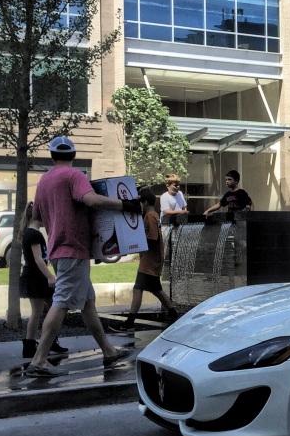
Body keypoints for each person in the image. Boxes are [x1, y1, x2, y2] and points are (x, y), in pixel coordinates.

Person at [25, 135, 143, 378]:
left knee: (88, 303)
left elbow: (35, 217)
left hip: (59, 249)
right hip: (73, 249)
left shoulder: (44, 181)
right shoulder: (74, 176)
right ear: (74, 155)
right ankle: (39, 361)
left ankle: (109, 352)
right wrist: (125, 205)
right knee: (62, 302)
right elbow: (90, 199)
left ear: (52, 155)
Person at [114, 188, 178, 333]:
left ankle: (130, 323)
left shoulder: (150, 216)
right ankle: (175, 315)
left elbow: (153, 238)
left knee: (138, 289)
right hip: (150, 262)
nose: (139, 205)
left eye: (140, 202)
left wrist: (137, 241)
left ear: (146, 202)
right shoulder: (152, 215)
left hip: (149, 262)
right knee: (156, 290)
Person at [19, 201, 67, 360]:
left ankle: (46, 341)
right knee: (40, 311)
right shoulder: (34, 234)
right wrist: (50, 276)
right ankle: (31, 345)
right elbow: (39, 259)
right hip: (36, 277)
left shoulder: (30, 233)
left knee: (50, 308)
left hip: (35, 276)